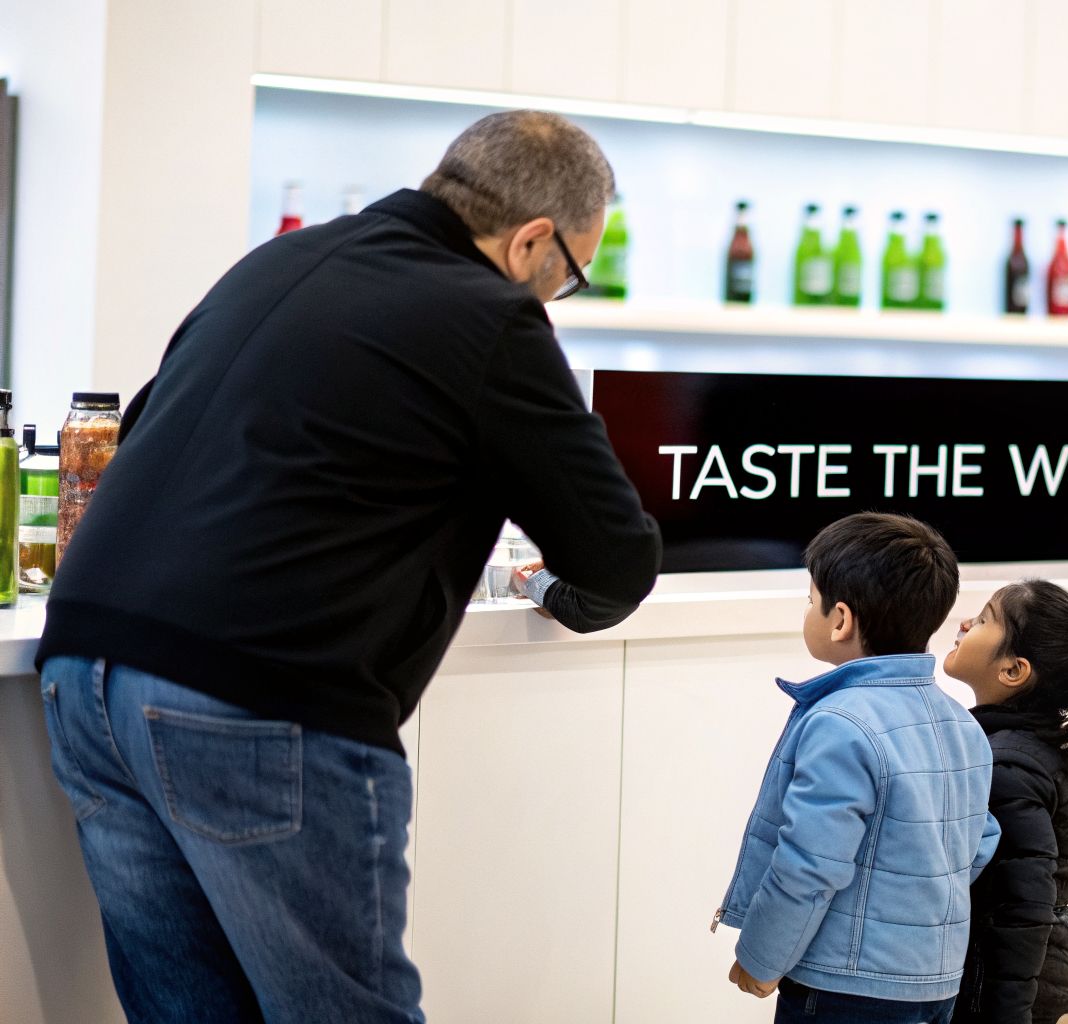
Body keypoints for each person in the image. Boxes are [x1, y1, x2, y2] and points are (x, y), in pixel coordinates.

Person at [35, 111, 661, 1022]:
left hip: (82, 676)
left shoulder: (277, 264)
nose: (558, 297)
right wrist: (564, 589)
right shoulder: (489, 317)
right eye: (572, 276)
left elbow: (143, 433)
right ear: (533, 241)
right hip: (256, 697)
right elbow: (615, 553)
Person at [716, 512, 1000, 1024]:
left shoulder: (840, 722)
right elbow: (979, 839)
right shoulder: (962, 723)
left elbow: (810, 863)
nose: (808, 611)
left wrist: (762, 958)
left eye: (811, 601)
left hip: (843, 986)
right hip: (934, 983)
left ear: (841, 620)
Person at [943, 579, 1068, 1024]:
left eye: (982, 620)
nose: (963, 624)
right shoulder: (1020, 747)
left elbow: (1022, 909)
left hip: (999, 993)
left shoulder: (1010, 765)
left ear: (1014, 670)